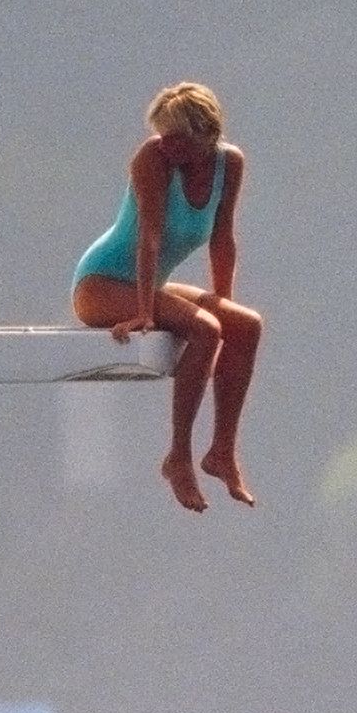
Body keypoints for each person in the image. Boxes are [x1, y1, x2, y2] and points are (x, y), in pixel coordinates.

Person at [72, 81, 262, 512]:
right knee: (204, 329)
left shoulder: (228, 164)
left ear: (206, 134)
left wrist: (223, 300)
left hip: (149, 285)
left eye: (177, 139)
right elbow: (149, 241)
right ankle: (178, 457)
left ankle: (221, 452)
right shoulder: (152, 160)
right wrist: (143, 313)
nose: (167, 146)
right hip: (101, 284)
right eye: (162, 135)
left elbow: (222, 238)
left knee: (245, 325)